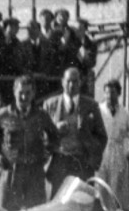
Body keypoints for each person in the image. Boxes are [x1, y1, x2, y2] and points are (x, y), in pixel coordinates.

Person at [0, 74, 59, 211]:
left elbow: (55, 137)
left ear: (34, 93)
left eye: (28, 93)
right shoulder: (3, 114)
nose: (24, 97)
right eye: (20, 93)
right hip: (10, 173)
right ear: (14, 92)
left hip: (34, 174)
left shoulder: (41, 115)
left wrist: (46, 155)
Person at [42, 66, 108, 196]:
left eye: (75, 81)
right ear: (62, 82)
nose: (71, 85)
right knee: (56, 200)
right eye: (68, 81)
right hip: (58, 161)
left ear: (81, 82)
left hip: (82, 162)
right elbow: (41, 135)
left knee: (83, 200)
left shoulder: (91, 105)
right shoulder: (50, 104)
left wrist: (92, 159)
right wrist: (55, 129)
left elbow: (102, 136)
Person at [96, 78, 129, 210]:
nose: (109, 96)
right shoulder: (98, 110)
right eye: (107, 93)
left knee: (117, 186)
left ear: (118, 94)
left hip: (118, 152)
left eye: (112, 93)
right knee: (101, 185)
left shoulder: (125, 113)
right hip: (101, 151)